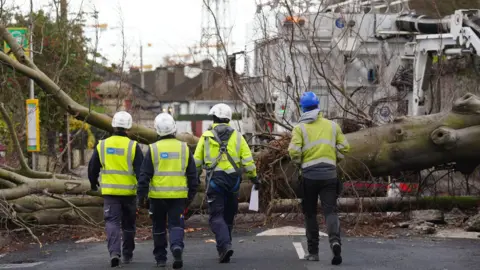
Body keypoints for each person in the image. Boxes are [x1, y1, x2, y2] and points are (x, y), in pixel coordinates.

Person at [288, 92, 350, 265]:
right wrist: (334, 159)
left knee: (310, 214)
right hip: (330, 175)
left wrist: (300, 163)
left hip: (308, 176)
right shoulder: (332, 126)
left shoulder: (299, 128)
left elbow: (293, 151)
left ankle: (313, 252)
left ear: (302, 108)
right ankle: (335, 242)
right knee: (330, 211)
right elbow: (345, 148)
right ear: (318, 107)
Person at [193, 103, 260, 263]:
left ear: (214, 117)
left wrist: (194, 178)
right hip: (234, 182)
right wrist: (254, 177)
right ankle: (225, 246)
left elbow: (196, 161)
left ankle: (224, 246)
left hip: (215, 181)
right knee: (229, 215)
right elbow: (248, 160)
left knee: (216, 216)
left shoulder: (206, 136)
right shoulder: (238, 136)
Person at [137, 113, 198, 269]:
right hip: (178, 196)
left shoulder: (153, 149)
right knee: (176, 224)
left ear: (157, 130)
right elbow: (193, 175)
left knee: (158, 227)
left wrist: (141, 197)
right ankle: (177, 247)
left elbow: (144, 175)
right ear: (174, 128)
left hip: (157, 197)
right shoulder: (184, 148)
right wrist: (190, 196)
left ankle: (161, 258)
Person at [88, 111, 144, 267]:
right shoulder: (133, 146)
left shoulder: (102, 145)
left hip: (110, 193)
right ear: (128, 127)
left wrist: (93, 183)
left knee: (112, 222)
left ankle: (114, 253)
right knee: (129, 225)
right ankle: (127, 254)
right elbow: (141, 172)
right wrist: (143, 192)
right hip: (129, 194)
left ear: (113, 126)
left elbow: (93, 167)